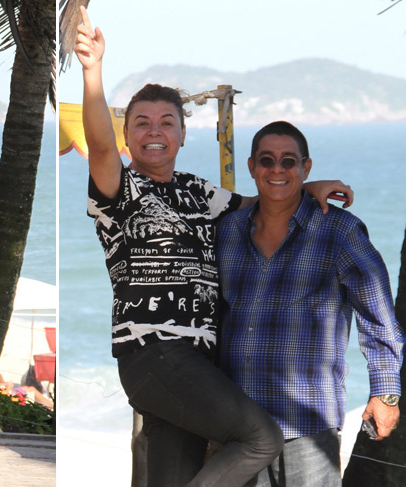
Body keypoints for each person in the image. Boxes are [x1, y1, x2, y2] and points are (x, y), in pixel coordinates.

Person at [74, 6, 353, 486]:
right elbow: (98, 147)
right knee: (261, 439)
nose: (155, 131)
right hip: (154, 353)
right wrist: (93, 71)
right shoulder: (119, 189)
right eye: (142, 123)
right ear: (127, 136)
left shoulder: (198, 191)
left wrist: (305, 185)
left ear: (182, 134)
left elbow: (262, 200)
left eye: (166, 122)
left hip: (200, 359)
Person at [217, 121, 405, 486]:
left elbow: (378, 315)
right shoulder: (226, 232)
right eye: (267, 160)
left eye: (289, 161)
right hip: (237, 426)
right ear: (252, 166)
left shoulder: (339, 231)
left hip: (307, 423)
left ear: (306, 168)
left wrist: (385, 394)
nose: (277, 169)